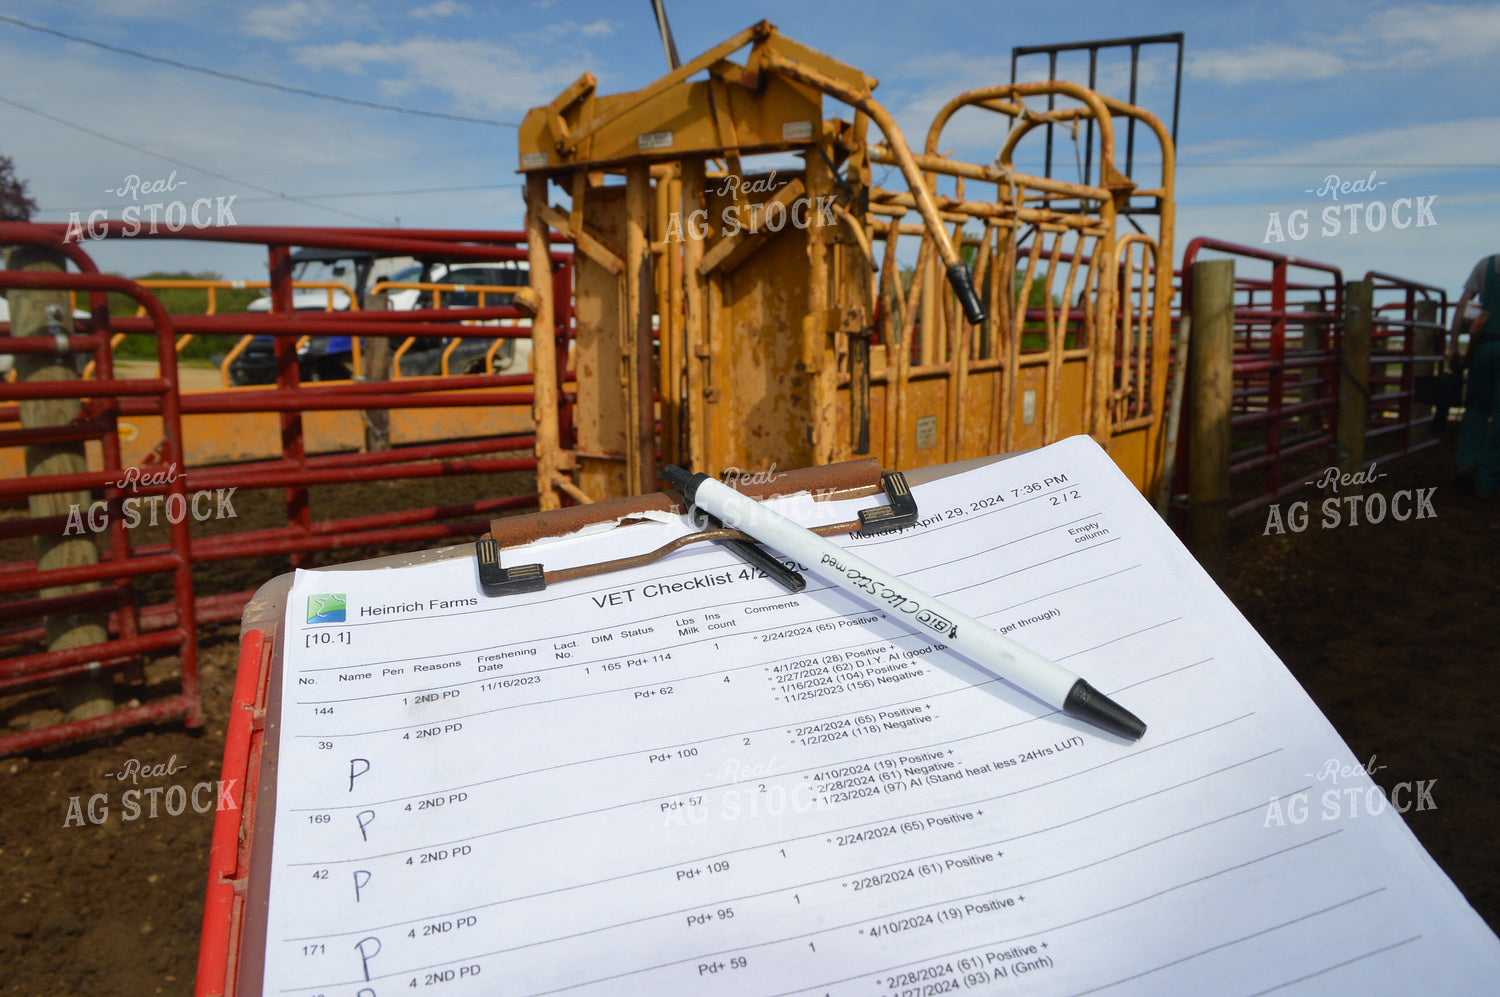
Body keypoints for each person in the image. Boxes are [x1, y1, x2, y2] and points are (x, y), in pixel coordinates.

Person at [1450, 253, 1500, 496]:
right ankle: (1489, 480)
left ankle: (1466, 464)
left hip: (1482, 348)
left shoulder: (1486, 265)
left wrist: (1453, 346)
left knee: (1476, 408)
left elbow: (1463, 306)